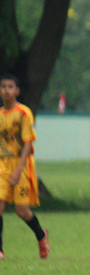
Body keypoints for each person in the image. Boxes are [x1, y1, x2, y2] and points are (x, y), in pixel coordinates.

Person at [0, 73, 50, 260]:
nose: (6, 90)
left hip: (21, 164)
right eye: (3, 86)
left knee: (22, 211)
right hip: (3, 164)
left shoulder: (24, 113)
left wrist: (18, 170)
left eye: (10, 86)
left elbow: (28, 143)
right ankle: (0, 250)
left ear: (17, 90)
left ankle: (41, 235)